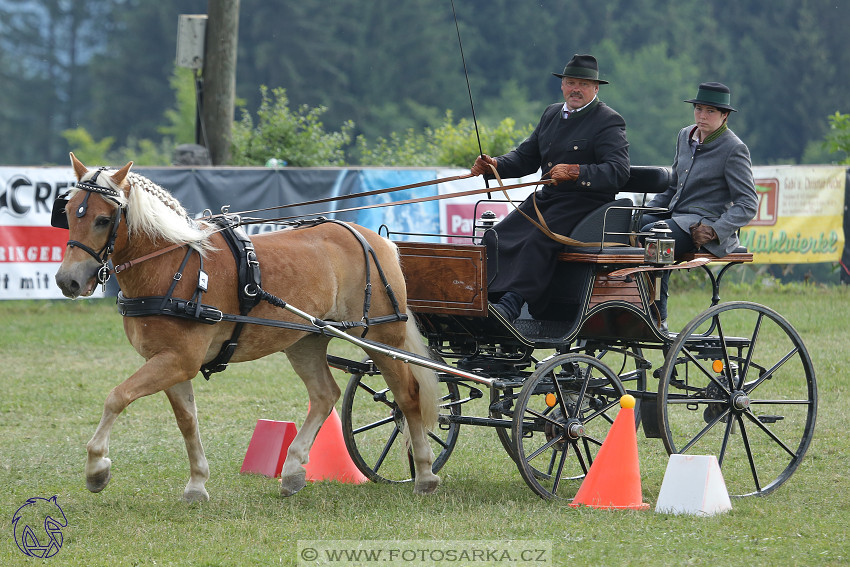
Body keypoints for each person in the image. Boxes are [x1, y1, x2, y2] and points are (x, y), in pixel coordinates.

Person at [470, 54, 630, 322]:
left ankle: (512, 303)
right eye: (570, 82)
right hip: (549, 200)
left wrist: (576, 171)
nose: (575, 89)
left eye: (583, 84)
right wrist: (495, 164)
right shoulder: (551, 113)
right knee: (496, 236)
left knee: (537, 239)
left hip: (586, 204)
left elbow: (619, 171)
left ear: (596, 89)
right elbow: (525, 157)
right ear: (562, 85)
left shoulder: (608, 121)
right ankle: (491, 299)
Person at [641, 82, 758, 330]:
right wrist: (644, 212)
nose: (702, 116)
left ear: (724, 116)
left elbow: (748, 204)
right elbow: (673, 186)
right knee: (630, 226)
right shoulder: (685, 136)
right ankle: (630, 304)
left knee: (656, 236)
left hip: (701, 227)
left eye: (711, 111)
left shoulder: (734, 149)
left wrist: (715, 230)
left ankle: (656, 317)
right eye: (699, 109)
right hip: (674, 217)